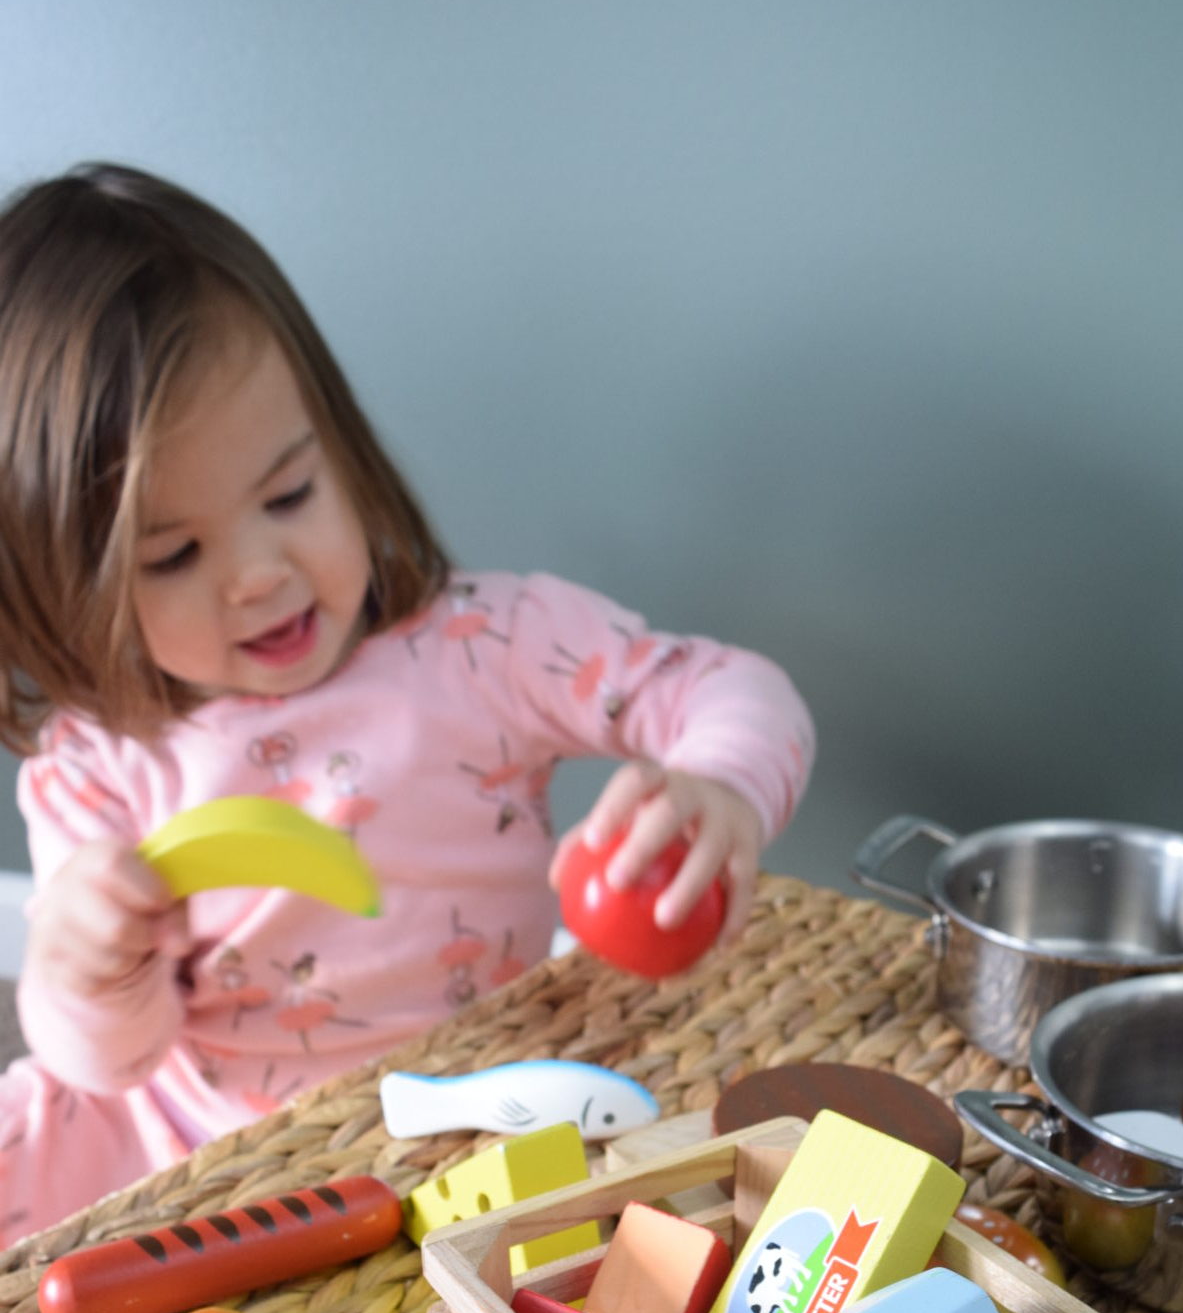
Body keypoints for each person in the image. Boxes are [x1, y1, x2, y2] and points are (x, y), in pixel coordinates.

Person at [0, 164, 814, 1246]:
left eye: (291, 493)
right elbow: (115, 1059)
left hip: (495, 1105)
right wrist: (85, 966)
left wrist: (721, 785)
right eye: (175, 554)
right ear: (64, 586)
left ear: (340, 446)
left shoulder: (482, 643)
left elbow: (726, 686)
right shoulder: (98, 766)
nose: (258, 572)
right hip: (220, 1154)